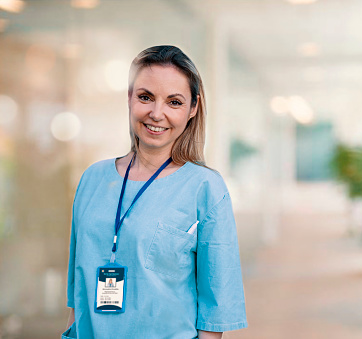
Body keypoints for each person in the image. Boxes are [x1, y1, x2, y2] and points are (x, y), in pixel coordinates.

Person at [63, 45, 247, 339]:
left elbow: (215, 311)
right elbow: (78, 287)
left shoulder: (205, 188)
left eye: (174, 102)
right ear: (129, 98)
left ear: (193, 109)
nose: (156, 113)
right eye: (145, 97)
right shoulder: (92, 179)